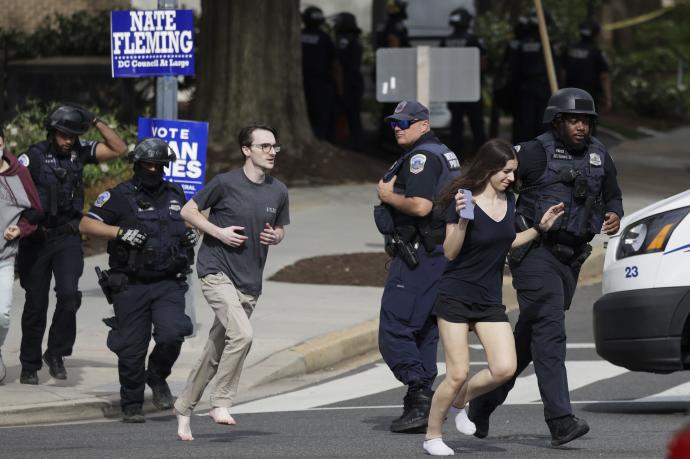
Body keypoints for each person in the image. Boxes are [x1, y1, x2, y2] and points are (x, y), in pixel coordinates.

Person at [468, 88, 624, 447]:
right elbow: (494, 180)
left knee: (528, 338)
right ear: (557, 122)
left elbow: (612, 193)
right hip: (535, 253)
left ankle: (482, 403)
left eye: (586, 120)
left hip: (571, 259)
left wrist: (614, 213)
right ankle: (560, 420)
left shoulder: (599, 154)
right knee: (551, 334)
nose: (581, 126)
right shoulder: (534, 153)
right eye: (573, 120)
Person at [421, 139, 565, 456]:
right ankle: (432, 434)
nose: (511, 178)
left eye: (513, 172)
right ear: (488, 169)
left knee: (504, 369)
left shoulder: (508, 201)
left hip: (488, 300)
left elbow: (507, 240)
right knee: (456, 373)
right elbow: (449, 251)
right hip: (456, 296)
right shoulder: (462, 199)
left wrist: (540, 229)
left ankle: (460, 401)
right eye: (506, 171)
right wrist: (461, 220)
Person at [173, 124, 289, 441]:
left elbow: (280, 228)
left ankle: (183, 408)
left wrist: (276, 236)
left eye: (274, 147)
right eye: (264, 146)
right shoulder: (225, 183)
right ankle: (221, 402)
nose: (271, 152)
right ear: (246, 150)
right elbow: (188, 210)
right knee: (244, 335)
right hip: (216, 270)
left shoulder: (278, 190)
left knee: (215, 350)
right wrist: (218, 232)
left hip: (250, 282)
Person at [79, 138, 195, 423]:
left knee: (172, 334)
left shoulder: (176, 193)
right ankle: (131, 404)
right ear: (137, 164)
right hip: (130, 284)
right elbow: (85, 223)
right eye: (148, 164)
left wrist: (192, 233)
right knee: (132, 348)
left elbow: (193, 220)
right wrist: (119, 233)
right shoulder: (119, 195)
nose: (153, 169)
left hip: (168, 281)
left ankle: (156, 375)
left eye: (159, 165)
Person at [17, 104, 127, 385]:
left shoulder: (79, 151)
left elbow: (118, 148)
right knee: (35, 304)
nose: (68, 140)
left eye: (73, 135)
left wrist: (95, 120)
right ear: (52, 132)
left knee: (69, 296)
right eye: (63, 135)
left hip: (67, 236)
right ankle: (29, 364)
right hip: (37, 238)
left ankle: (56, 353)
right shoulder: (33, 157)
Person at [374, 100, 461, 433]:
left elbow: (421, 205)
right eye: (394, 123)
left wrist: (387, 195)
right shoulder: (444, 152)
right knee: (423, 330)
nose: (397, 128)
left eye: (405, 123)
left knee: (394, 329)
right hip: (440, 253)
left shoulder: (422, 158)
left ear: (424, 124)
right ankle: (419, 404)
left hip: (420, 255)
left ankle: (421, 393)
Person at [0, 127, 42, 383]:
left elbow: (35, 210)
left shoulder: (19, 173)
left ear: (2, 142)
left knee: (2, 314)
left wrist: (21, 228)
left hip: (4, 258)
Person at [508, 11, 561, 144]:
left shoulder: (520, 43)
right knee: (542, 124)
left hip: (524, 90)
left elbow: (513, 68)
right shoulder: (548, 44)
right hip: (543, 90)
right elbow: (557, 69)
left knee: (524, 124)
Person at [440, 7, 487, 154]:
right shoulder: (474, 40)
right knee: (477, 124)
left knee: (456, 125)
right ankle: (483, 156)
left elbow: (440, 65)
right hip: (471, 88)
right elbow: (483, 64)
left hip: (454, 89)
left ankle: (455, 156)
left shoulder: (446, 41)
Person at [375, 0, 411, 153]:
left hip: (385, 70)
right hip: (393, 72)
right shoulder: (396, 25)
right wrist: (398, 69)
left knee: (389, 104)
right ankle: (388, 140)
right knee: (395, 105)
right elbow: (394, 44)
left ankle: (384, 138)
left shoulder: (384, 24)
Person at [301, 6, 340, 141]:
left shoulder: (298, 35)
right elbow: (335, 64)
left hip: (301, 83)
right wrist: (339, 87)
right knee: (321, 115)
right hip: (320, 84)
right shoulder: (325, 38)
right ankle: (320, 138)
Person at [563, 19, 612, 113]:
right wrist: (608, 97)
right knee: (584, 123)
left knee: (570, 121)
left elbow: (562, 72)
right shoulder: (597, 52)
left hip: (569, 94)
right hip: (588, 96)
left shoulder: (570, 49)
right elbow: (604, 76)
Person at [333, 12, 364, 150]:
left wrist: (339, 87)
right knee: (354, 115)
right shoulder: (354, 38)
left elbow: (339, 64)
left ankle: (351, 145)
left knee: (344, 114)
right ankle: (357, 144)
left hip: (347, 82)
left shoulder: (343, 39)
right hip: (355, 81)